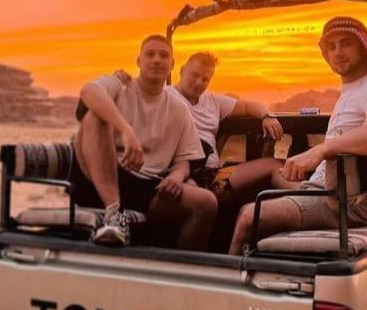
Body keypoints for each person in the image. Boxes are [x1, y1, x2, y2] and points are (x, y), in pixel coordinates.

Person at [228, 16, 367, 255]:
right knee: (271, 177)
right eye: (331, 47)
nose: (338, 52)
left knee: (249, 216)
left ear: (364, 47)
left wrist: (318, 151)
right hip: (329, 190)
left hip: (345, 204)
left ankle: (222, 284)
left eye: (346, 43)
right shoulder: (358, 87)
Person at [71, 34, 217, 249]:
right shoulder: (119, 85)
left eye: (163, 55)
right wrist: (126, 129)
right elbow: (88, 92)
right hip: (100, 177)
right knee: (95, 116)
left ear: (172, 64)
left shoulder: (178, 109)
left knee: (206, 203)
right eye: (150, 54)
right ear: (139, 61)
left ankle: (180, 272)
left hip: (147, 186)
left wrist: (176, 177)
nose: (157, 60)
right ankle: (113, 214)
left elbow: (185, 159)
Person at [114, 51, 285, 205]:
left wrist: (267, 117)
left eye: (205, 79)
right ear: (181, 71)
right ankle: (301, 196)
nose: (198, 82)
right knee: (273, 166)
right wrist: (120, 82)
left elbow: (248, 106)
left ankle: (295, 200)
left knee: (277, 166)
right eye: (194, 75)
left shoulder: (213, 102)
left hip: (212, 173)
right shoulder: (165, 95)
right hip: (183, 171)